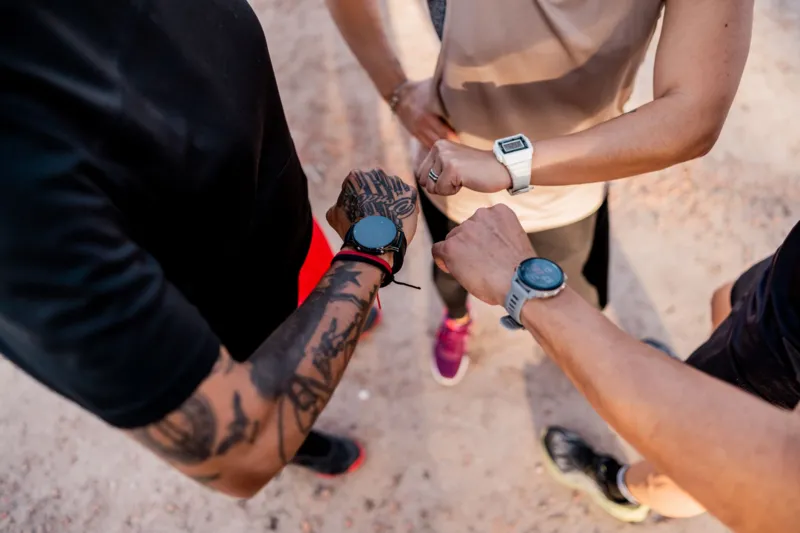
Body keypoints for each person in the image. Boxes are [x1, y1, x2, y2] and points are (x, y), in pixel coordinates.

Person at [0, 1, 419, 497]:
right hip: (218, 312)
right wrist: (372, 248)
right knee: (276, 389)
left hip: (274, 204)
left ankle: (335, 309)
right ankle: (304, 443)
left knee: (315, 289)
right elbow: (240, 449)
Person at [326, 0, 754, 386]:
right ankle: (456, 319)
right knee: (451, 280)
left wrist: (507, 164)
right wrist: (398, 93)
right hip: (456, 167)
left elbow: (693, 117)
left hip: (568, 185)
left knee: (568, 307)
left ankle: (551, 346)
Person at [432, 204, 800, 531]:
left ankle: (620, 487)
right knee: (726, 300)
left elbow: (782, 490)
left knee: (702, 473)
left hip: (788, 374)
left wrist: (521, 286)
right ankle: (688, 380)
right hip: (785, 289)